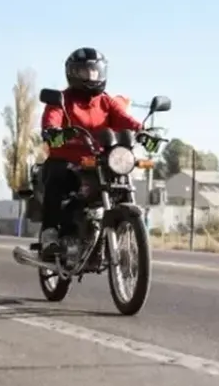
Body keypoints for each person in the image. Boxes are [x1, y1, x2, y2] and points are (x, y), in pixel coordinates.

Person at [38, 47, 159, 264]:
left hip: (99, 161)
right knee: (56, 173)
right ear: (74, 73)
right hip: (69, 161)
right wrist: (53, 132)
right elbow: (51, 123)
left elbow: (124, 119)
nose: (92, 76)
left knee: (120, 179)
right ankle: (50, 235)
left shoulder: (106, 101)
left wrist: (142, 131)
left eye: (96, 71)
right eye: (86, 72)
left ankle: (111, 230)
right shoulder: (61, 101)